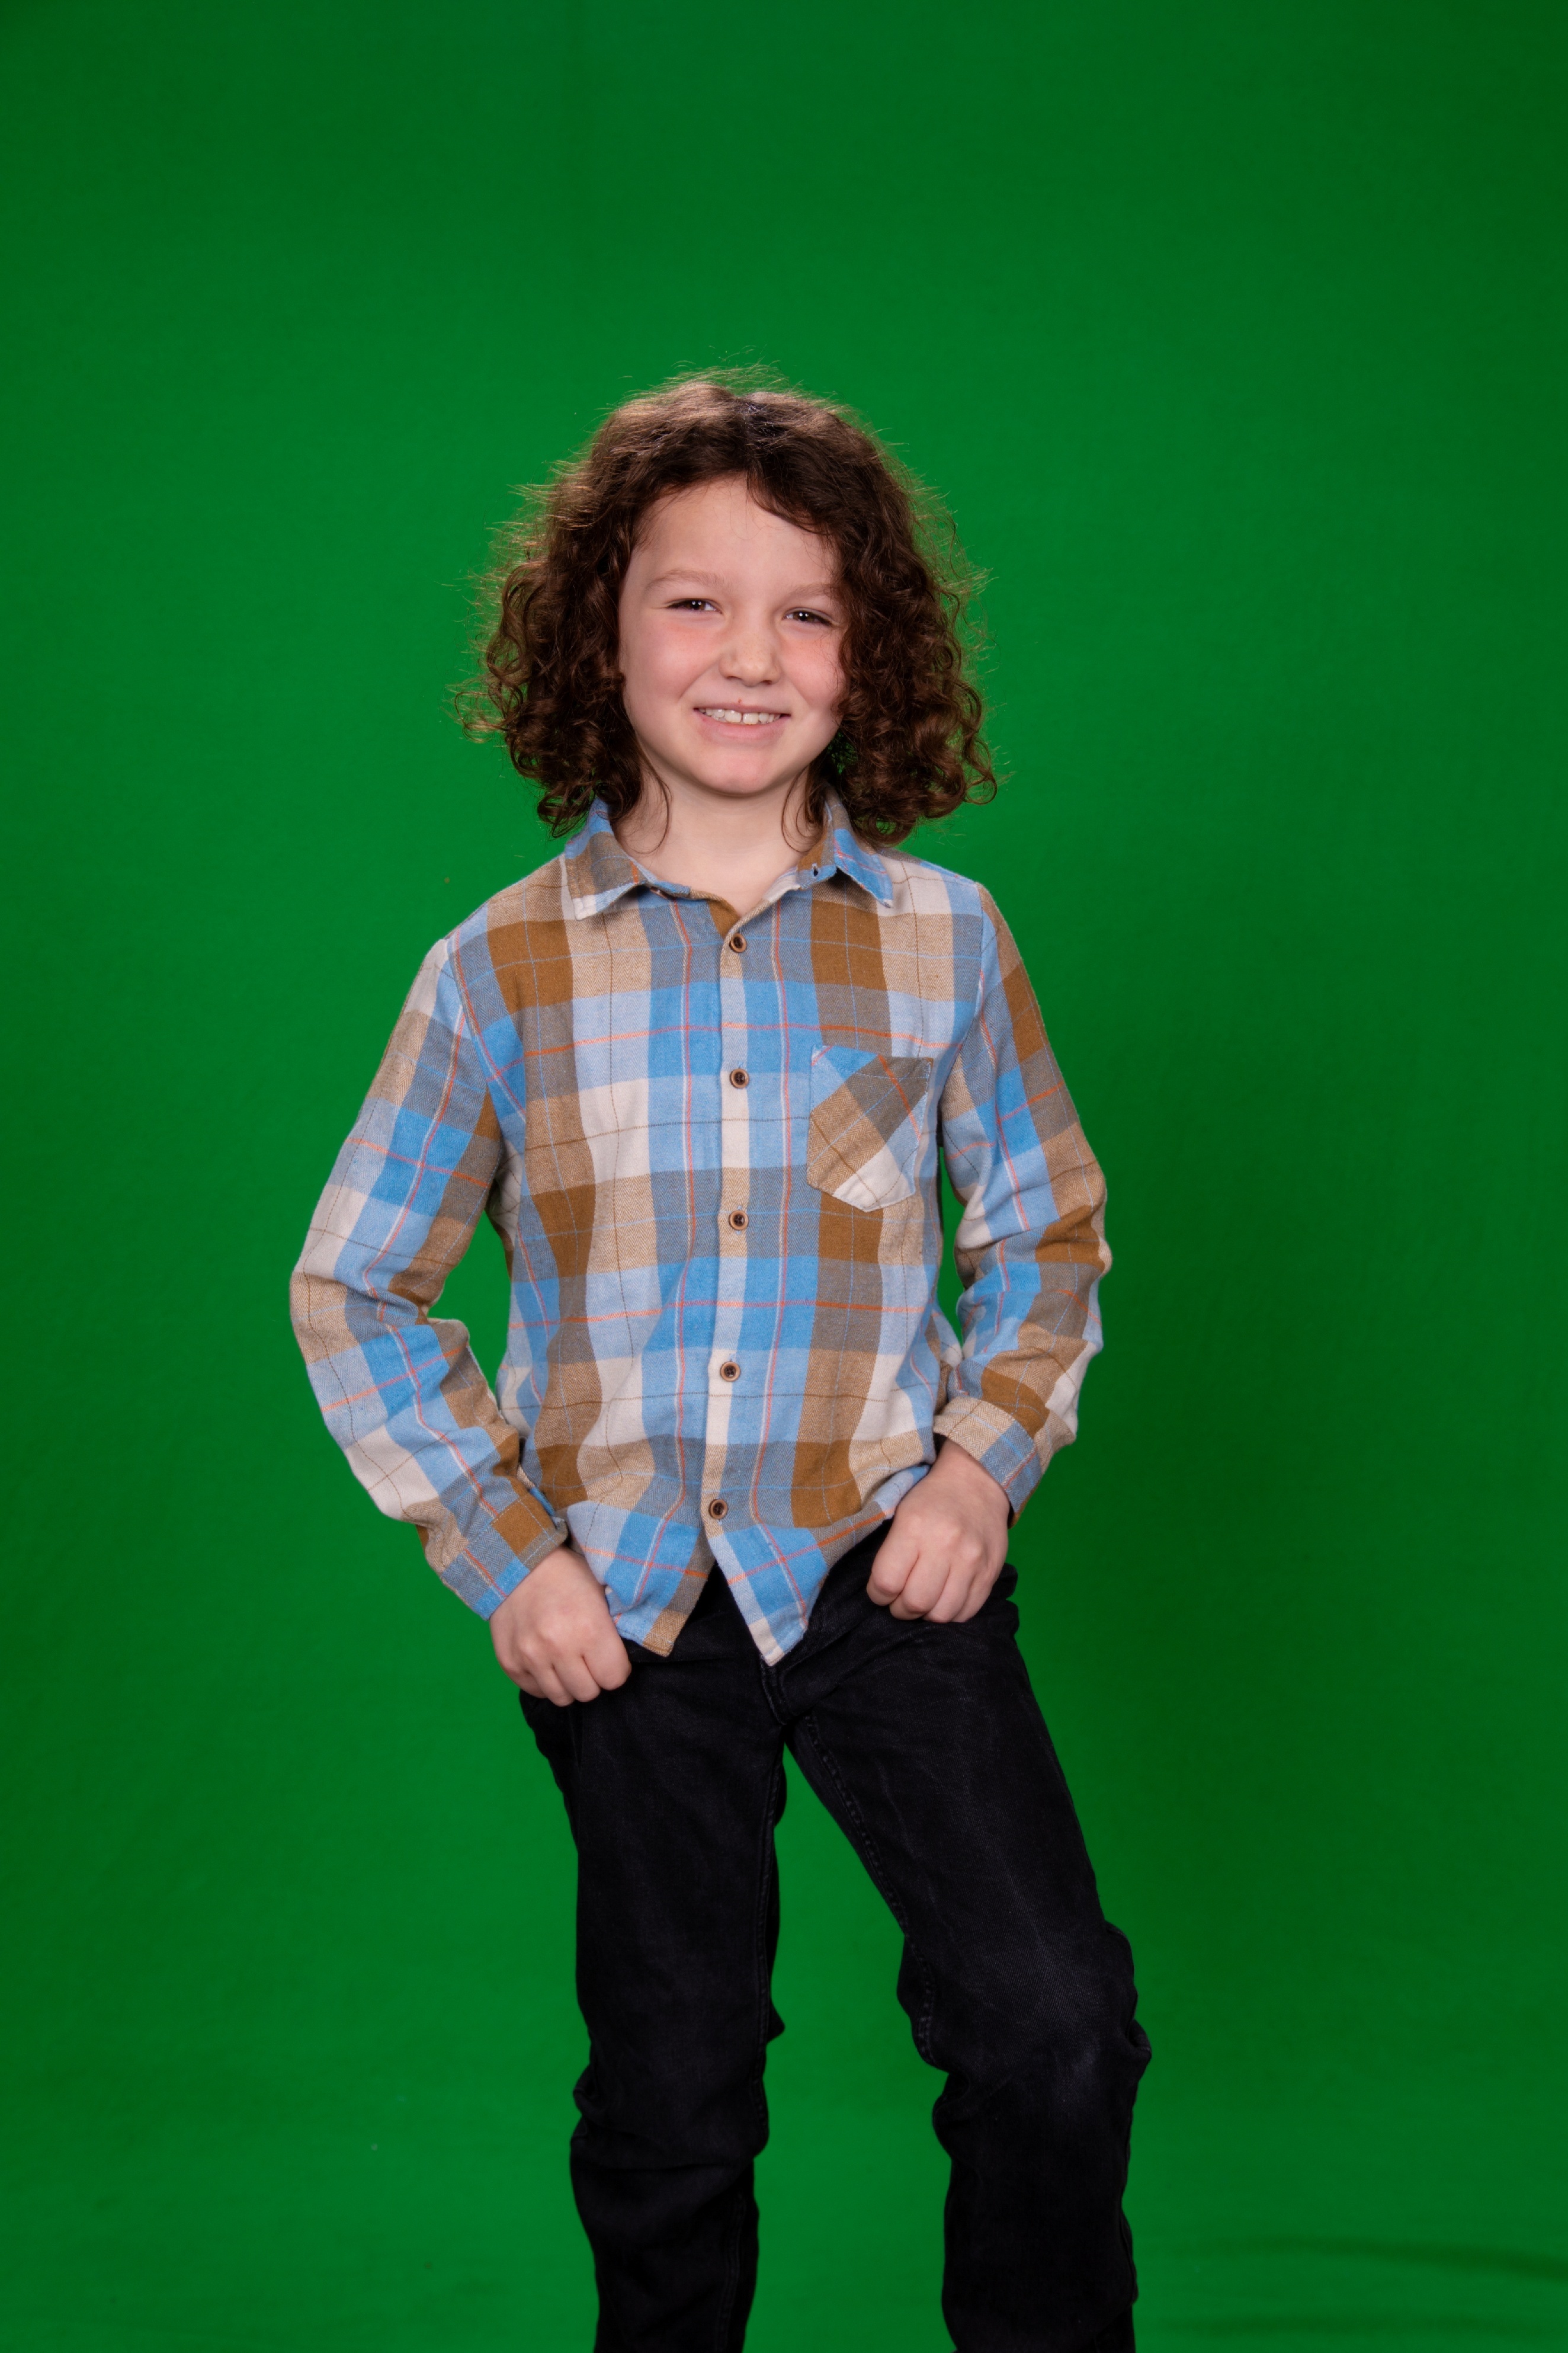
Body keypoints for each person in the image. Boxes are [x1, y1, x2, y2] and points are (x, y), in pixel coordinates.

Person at [291, 376, 1149, 2353]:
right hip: (631, 1609)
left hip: (885, 1569)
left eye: (808, 612)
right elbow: (361, 1287)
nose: (750, 656)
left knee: (1054, 2024)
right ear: (600, 632)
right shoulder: (495, 970)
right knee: (672, 2094)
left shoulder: (948, 942)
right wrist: (509, 1558)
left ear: (871, 657)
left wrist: (979, 1470)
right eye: (696, 602)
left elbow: (1048, 1235)